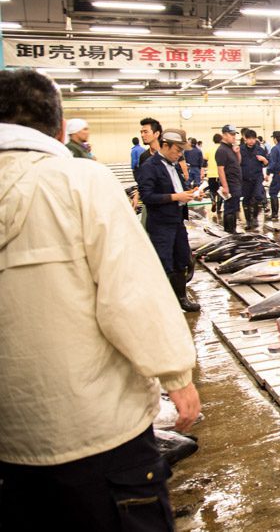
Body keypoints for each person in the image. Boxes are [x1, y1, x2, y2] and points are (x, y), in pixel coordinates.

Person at [0, 68, 198, 530]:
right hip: (98, 431)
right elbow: (130, 293)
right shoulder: (79, 181)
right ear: (58, 125)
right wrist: (176, 374)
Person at [137, 128, 202, 312]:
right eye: (178, 150)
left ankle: (181, 298)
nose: (180, 154)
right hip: (160, 225)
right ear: (165, 146)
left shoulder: (174, 166)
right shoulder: (150, 167)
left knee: (181, 260)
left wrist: (191, 194)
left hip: (177, 222)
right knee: (163, 263)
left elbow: (179, 189)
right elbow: (147, 197)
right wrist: (176, 197)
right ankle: (161, 304)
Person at [215, 124, 243, 233]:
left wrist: (238, 152)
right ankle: (229, 231)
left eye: (234, 134)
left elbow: (238, 162)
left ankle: (233, 230)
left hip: (236, 183)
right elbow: (220, 169)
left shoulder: (230, 148)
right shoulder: (221, 150)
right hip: (230, 184)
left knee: (234, 207)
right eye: (231, 135)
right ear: (224, 135)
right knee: (230, 208)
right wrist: (225, 187)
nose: (234, 137)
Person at [239, 129, 269, 231]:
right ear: (245, 139)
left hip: (257, 177)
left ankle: (255, 217)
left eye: (253, 139)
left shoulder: (260, 149)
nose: (251, 141)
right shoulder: (240, 150)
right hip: (245, 178)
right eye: (249, 139)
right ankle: (248, 220)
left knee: (257, 197)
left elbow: (267, 163)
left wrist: (264, 160)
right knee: (246, 199)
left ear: (255, 139)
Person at [135, 117, 162, 181]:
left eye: (145, 132)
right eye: (141, 132)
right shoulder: (143, 156)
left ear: (156, 134)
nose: (142, 135)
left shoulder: (167, 154)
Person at [206, 132, 223, 215]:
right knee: (221, 191)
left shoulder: (209, 149)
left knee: (212, 190)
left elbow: (204, 160)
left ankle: (213, 201)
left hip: (211, 174)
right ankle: (219, 208)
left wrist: (202, 172)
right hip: (221, 174)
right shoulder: (223, 149)